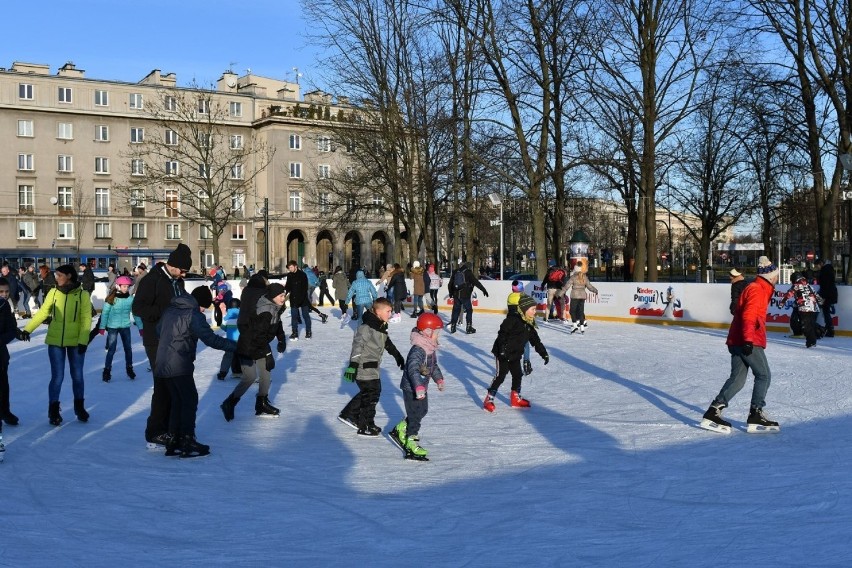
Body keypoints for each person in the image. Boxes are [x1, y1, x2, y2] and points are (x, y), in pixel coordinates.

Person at [700, 256, 781, 434]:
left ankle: (713, 411)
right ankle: (756, 413)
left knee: (737, 379)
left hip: (737, 338)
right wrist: (748, 340)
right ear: (769, 277)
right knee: (764, 375)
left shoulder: (757, 287)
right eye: (776, 276)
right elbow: (749, 316)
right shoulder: (757, 289)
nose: (777, 279)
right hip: (747, 339)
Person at [155, 286, 236, 458]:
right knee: (189, 400)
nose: (203, 310)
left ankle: (173, 440)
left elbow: (157, 331)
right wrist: (237, 346)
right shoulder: (193, 314)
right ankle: (187, 440)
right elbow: (211, 339)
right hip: (179, 364)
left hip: (162, 362)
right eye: (204, 307)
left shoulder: (171, 310)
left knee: (177, 401)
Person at [132, 243, 191, 449]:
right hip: (156, 339)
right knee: (163, 385)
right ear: (173, 265)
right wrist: (162, 312)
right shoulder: (152, 280)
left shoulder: (177, 282)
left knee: (172, 385)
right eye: (182, 270)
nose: (184, 275)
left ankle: (168, 428)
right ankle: (155, 431)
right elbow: (138, 307)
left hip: (174, 338)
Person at [19, 265, 93, 426]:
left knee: (78, 376)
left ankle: (79, 407)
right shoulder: (53, 292)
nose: (57, 278)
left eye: (59, 275)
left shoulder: (82, 295)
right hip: (55, 340)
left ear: (69, 276)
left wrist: (83, 340)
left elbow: (86, 319)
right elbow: (43, 312)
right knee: (57, 377)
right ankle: (53, 410)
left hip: (76, 341)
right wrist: (27, 329)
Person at [220, 283, 287, 421]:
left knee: (266, 375)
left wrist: (281, 339)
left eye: (284, 295)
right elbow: (259, 336)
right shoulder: (265, 311)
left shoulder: (275, 308)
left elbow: (277, 323)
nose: (283, 298)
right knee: (249, 377)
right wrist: (268, 354)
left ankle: (261, 404)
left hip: (259, 346)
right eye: (281, 296)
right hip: (248, 346)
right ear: (273, 296)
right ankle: (229, 403)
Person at [338, 298, 405, 436]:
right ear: (378, 312)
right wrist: (353, 365)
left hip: (373, 367)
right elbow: (357, 346)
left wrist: (397, 355)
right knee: (371, 395)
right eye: (388, 311)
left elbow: (387, 343)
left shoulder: (380, 326)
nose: (390, 314)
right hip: (364, 367)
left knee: (367, 393)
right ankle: (365, 425)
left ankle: (348, 414)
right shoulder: (366, 327)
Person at [389, 312, 445, 461]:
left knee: (423, 410)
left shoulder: (430, 348)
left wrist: (438, 379)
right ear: (427, 332)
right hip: (411, 388)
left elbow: (433, 366)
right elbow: (412, 369)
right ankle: (411, 443)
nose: (438, 335)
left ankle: (400, 427)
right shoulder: (418, 350)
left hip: (422, 387)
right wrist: (418, 387)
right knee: (415, 416)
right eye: (436, 332)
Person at [482, 293, 549, 412]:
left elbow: (535, 341)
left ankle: (515, 397)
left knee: (518, 375)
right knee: (500, 376)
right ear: (524, 309)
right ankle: (489, 399)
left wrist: (543, 353)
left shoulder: (529, 324)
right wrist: (502, 350)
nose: (535, 312)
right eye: (533, 309)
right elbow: (502, 334)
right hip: (503, 352)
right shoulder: (512, 320)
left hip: (515, 354)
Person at [98, 275, 140, 382]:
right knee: (111, 349)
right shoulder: (111, 299)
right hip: (113, 327)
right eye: (124, 286)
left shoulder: (130, 299)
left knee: (128, 349)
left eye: (127, 286)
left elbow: (135, 313)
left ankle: (129, 368)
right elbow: (105, 313)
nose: (126, 288)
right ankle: (107, 371)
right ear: (118, 286)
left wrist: (141, 327)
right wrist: (102, 327)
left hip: (125, 326)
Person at [448, 261, 489, 334]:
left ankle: (453, 326)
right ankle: (468, 327)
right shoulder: (468, 272)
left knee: (455, 310)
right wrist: (484, 290)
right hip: (465, 295)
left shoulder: (455, 272)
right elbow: (476, 282)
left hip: (456, 295)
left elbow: (450, 283)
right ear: (469, 267)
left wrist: (451, 293)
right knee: (469, 310)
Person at [784, 272, 823, 348]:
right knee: (810, 324)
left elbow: (789, 294)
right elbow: (815, 294)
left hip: (805, 308)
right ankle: (816, 336)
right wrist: (821, 301)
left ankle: (812, 340)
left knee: (806, 326)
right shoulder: (808, 286)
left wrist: (782, 302)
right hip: (813, 308)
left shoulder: (796, 286)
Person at [0, 278, 19, 426]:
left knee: (4, 386)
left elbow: (11, 329)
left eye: (6, 291)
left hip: (1, 354)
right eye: (1, 291)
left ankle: (5, 411)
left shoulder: (5, 306)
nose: (4, 294)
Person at [564, 265, 598, 333]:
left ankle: (575, 325)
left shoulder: (573, 277)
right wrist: (595, 290)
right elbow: (589, 286)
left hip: (575, 296)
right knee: (580, 311)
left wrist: (560, 293)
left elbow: (566, 286)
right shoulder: (584, 277)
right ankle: (582, 326)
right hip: (582, 296)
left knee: (572, 311)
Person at [284, 261, 312, 340]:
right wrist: (285, 293)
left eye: (291, 267)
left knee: (305, 316)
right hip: (293, 299)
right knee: (294, 317)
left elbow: (305, 288)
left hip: (303, 299)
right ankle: (294, 333)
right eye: (289, 268)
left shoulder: (302, 275)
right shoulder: (289, 275)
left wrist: (300, 299)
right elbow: (288, 286)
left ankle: (308, 332)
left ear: (295, 266)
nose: (290, 269)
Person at [217, 298, 243, 380]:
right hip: (241, 341)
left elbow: (223, 328)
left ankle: (222, 373)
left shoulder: (227, 317)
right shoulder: (242, 316)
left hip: (230, 341)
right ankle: (244, 372)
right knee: (243, 357)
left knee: (228, 357)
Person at [816, 259, 837, 337]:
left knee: (821, 311)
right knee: (826, 312)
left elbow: (825, 285)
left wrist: (823, 297)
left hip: (826, 295)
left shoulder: (825, 271)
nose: (817, 267)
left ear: (821, 263)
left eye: (817, 265)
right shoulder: (828, 270)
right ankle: (830, 329)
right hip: (829, 295)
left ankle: (828, 329)